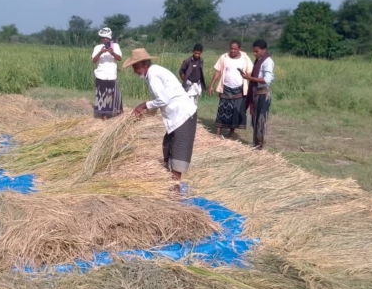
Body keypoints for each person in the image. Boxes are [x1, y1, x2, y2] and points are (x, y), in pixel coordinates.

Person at [123, 48, 198, 195]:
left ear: (144, 64)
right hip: (177, 116)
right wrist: (142, 114)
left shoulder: (153, 74)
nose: (134, 70)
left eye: (135, 66)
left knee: (178, 151)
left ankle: (175, 189)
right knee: (168, 145)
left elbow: (163, 100)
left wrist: (143, 105)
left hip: (183, 115)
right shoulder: (153, 72)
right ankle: (171, 183)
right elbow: (161, 101)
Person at [208, 40, 253, 137]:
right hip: (225, 88)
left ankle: (231, 132)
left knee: (235, 111)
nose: (232, 51)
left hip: (239, 90)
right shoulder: (224, 57)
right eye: (231, 48)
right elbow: (217, 72)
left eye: (235, 49)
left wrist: (250, 85)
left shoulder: (245, 58)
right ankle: (218, 133)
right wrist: (211, 85)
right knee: (222, 110)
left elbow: (249, 73)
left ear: (239, 49)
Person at [242, 39, 275, 150]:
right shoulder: (259, 60)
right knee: (255, 119)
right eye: (253, 51)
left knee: (261, 119)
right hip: (257, 93)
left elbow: (267, 79)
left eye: (256, 51)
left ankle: (260, 144)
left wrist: (249, 78)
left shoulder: (267, 61)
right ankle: (256, 143)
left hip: (263, 93)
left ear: (264, 50)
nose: (254, 53)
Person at [91, 27, 123, 120]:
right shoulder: (97, 47)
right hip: (101, 74)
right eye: (102, 38)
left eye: (106, 38)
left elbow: (119, 58)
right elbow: (94, 60)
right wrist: (101, 52)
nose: (104, 40)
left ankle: (117, 115)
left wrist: (112, 53)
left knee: (115, 95)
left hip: (112, 75)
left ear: (109, 38)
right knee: (102, 96)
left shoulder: (116, 46)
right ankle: (103, 116)